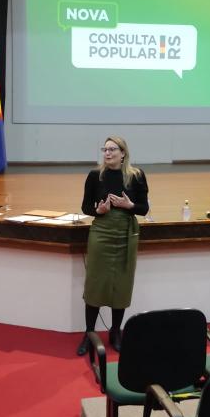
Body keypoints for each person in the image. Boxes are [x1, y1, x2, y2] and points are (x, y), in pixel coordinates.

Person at [76, 136, 149, 356]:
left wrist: (130, 205)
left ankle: (116, 331)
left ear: (123, 153)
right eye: (105, 149)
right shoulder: (95, 175)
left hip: (126, 233)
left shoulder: (136, 175)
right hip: (102, 232)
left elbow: (144, 208)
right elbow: (86, 207)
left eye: (112, 149)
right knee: (95, 282)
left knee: (122, 283)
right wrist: (98, 211)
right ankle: (90, 333)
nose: (107, 153)